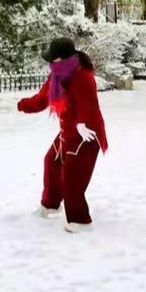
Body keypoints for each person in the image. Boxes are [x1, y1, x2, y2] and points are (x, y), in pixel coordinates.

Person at [17, 37, 108, 232]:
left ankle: (80, 220)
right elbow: (42, 99)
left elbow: (89, 103)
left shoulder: (83, 77)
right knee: (51, 161)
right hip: (67, 133)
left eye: (54, 60)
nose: (51, 64)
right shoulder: (56, 77)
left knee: (72, 174)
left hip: (87, 135)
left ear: (64, 59)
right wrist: (24, 104)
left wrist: (83, 123)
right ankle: (50, 204)